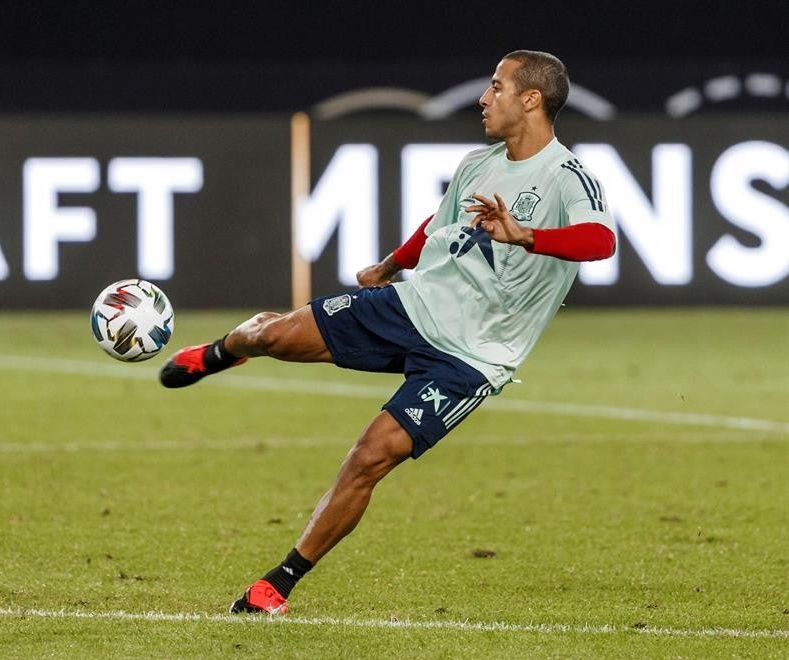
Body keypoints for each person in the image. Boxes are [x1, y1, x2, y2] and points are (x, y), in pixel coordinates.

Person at [160, 50, 616, 615]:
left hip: (472, 357)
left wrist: (526, 236)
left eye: (496, 87)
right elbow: (440, 223)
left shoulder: (567, 176)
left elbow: (601, 240)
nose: (483, 98)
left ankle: (279, 583)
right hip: (412, 305)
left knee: (369, 457)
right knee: (274, 336)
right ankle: (222, 351)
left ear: (531, 99)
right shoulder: (479, 163)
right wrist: (390, 264)